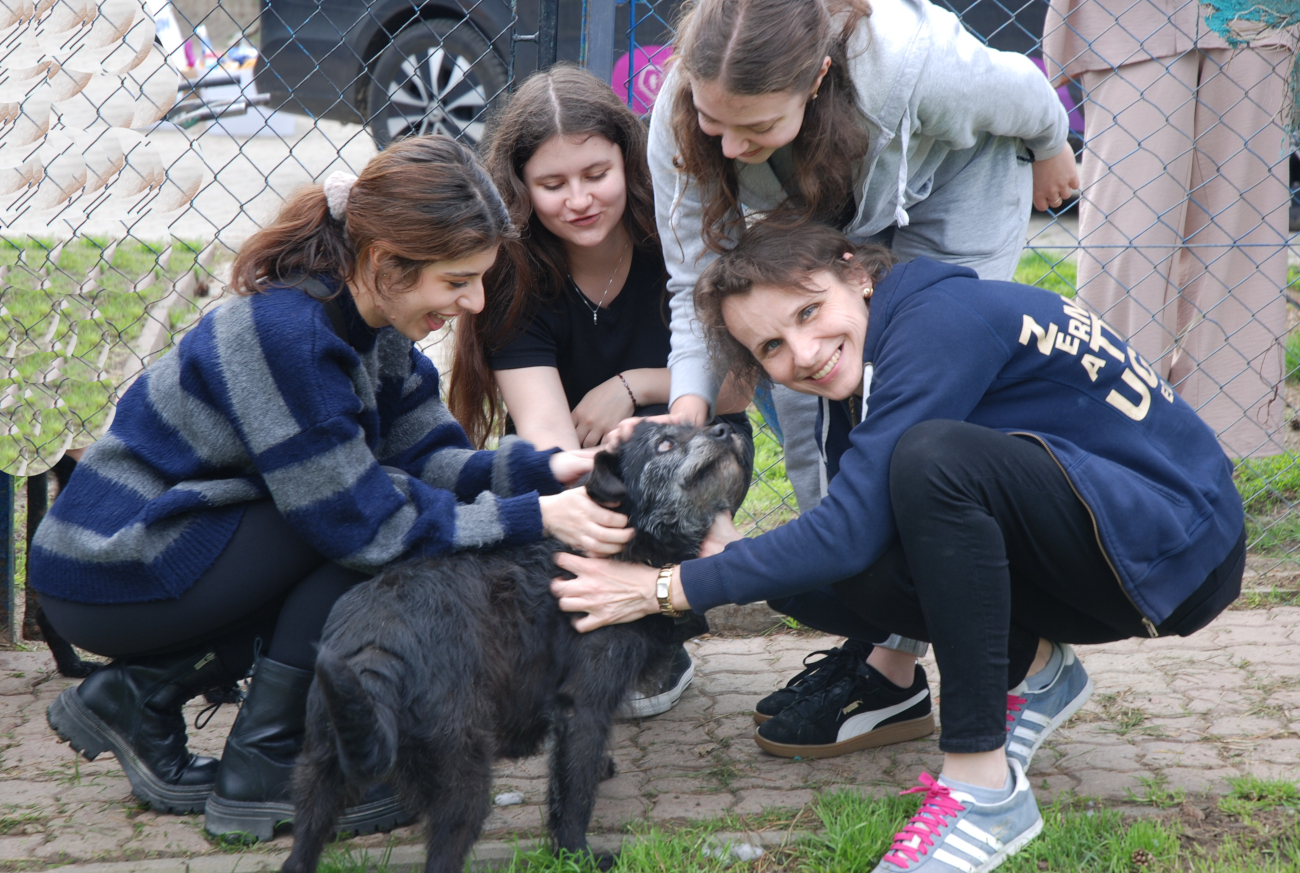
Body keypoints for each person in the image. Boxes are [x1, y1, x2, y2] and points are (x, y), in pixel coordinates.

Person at [552, 222, 1245, 871]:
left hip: (1179, 549)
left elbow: (850, 530)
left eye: (807, 312)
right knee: (858, 542)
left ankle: (983, 788)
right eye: (772, 348)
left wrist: (665, 589)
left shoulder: (937, 323)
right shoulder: (865, 366)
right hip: (1113, 542)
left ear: (856, 273)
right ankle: (1034, 667)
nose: (803, 353)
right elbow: (850, 553)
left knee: (931, 461)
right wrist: (729, 558)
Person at [28, 136, 633, 840]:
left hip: (178, 549)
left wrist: (546, 472)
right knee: (362, 533)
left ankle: (139, 696)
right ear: (384, 261)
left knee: (369, 509)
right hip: (108, 565)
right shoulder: (287, 335)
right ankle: (266, 765)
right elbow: (362, 524)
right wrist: (536, 517)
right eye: (457, 281)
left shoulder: (375, 324)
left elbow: (430, 459)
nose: (471, 303)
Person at [645, 0, 1080, 749]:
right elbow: (694, 281)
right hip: (822, 210)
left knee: (911, 427)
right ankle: (879, 636)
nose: (731, 146)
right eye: (716, 122)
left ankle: (902, 667)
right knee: (810, 398)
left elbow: (1024, 87)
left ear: (816, 78)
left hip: (954, 192)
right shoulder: (684, 107)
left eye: (756, 127)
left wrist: (1051, 147)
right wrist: (689, 406)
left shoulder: (914, 66)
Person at [449, 65, 750, 717]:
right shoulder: (514, 277)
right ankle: (580, 628)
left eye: (596, 174)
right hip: (583, 463)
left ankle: (661, 635)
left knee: (675, 444)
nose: (579, 199)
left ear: (629, 163)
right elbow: (547, 439)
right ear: (521, 190)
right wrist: (591, 493)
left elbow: (736, 389)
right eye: (552, 184)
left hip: (680, 444)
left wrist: (633, 386)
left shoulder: (673, 243)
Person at [1042, 1, 1296, 457]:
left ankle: (1213, 458)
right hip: (1128, 13)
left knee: (1240, 242)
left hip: (1257, 15)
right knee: (1126, 237)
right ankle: (1111, 440)